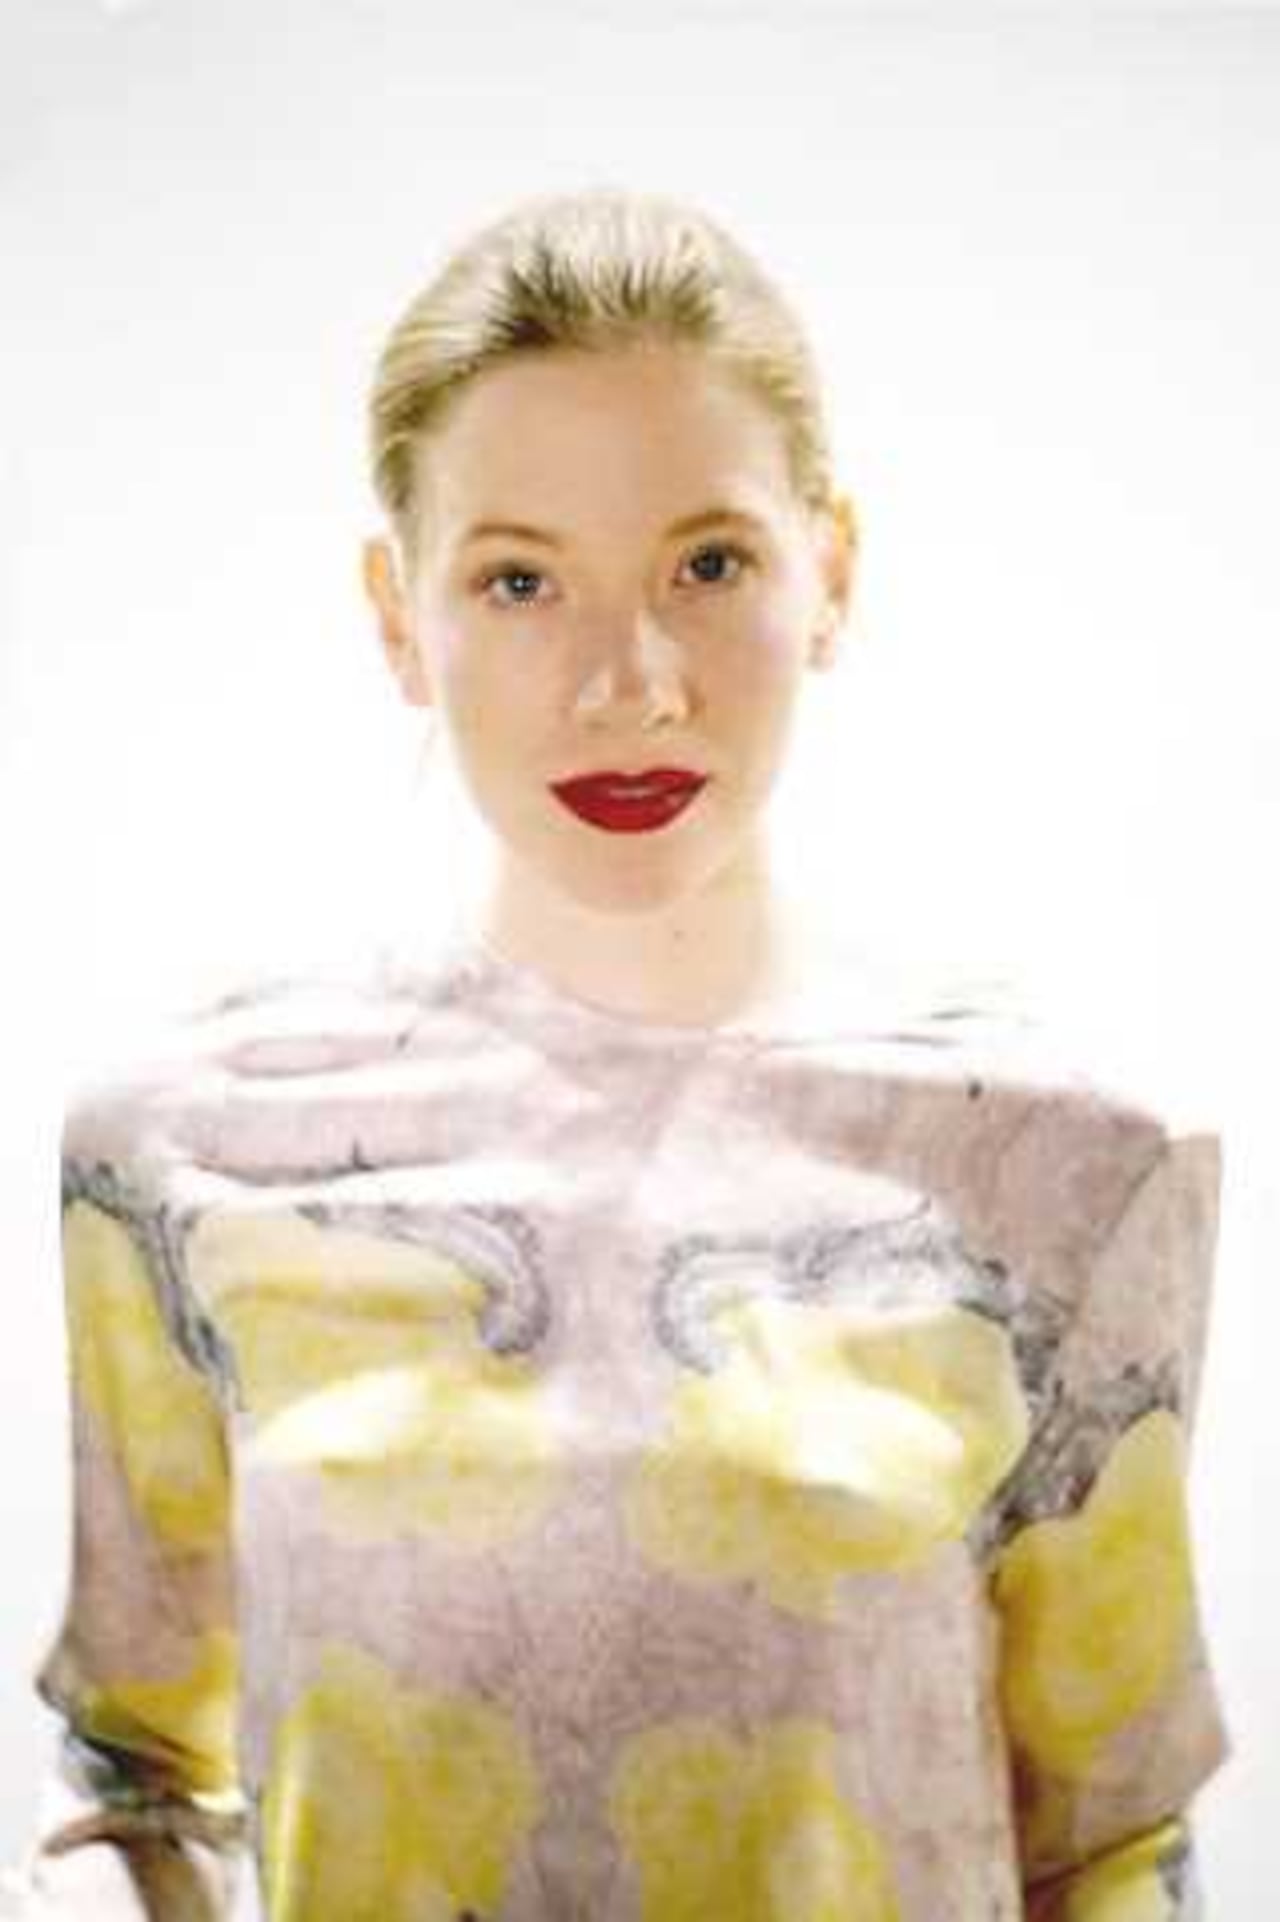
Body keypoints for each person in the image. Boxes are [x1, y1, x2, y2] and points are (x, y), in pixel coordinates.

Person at [2, 185, 1232, 1920]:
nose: (628, 679)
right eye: (518, 581)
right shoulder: (188, 1154)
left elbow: (1111, 1843)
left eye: (708, 564)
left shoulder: (1063, 1170)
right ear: (397, 613)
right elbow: (135, 1783)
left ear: (832, 571)